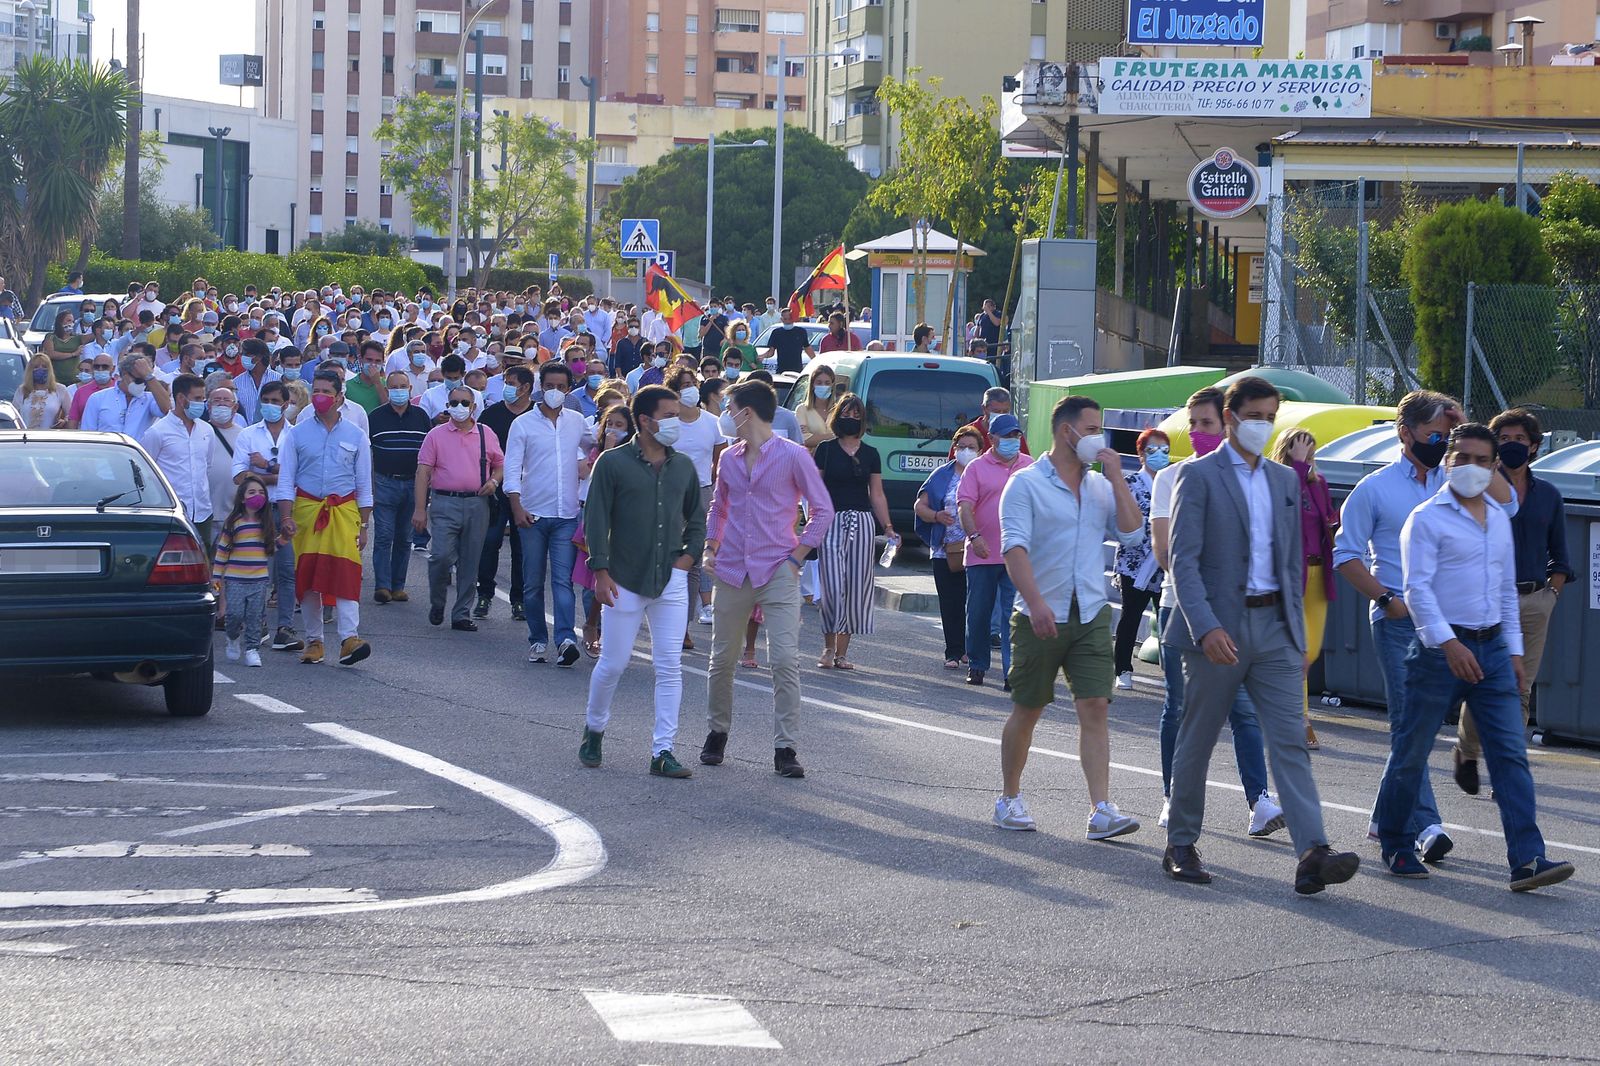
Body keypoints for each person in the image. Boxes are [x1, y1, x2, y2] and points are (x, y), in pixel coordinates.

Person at [1163, 376, 1360, 894]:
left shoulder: (1282, 480)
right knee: (1199, 738)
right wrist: (1205, 627)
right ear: (1230, 418)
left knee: (1290, 740)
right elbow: (1183, 561)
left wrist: (1295, 633)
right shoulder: (1197, 476)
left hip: (1275, 627)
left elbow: (1292, 560)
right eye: (1254, 416)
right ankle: (1181, 843)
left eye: (1270, 417)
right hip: (1218, 629)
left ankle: (1313, 852)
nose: (1263, 425)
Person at [1377, 422, 1574, 892]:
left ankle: (1527, 859)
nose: (1471, 467)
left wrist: (1514, 651)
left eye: (1481, 461)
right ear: (1448, 461)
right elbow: (1417, 590)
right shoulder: (1426, 518)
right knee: (1411, 751)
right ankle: (1396, 841)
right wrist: (1450, 644)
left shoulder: (1499, 519)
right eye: (1461, 458)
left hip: (1493, 649)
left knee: (1510, 755)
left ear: (1493, 467)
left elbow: (1504, 591)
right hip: (1437, 653)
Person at [1332, 390, 1514, 860]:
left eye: (1444, 436)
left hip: (1454, 626)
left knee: (1414, 728)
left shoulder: (1457, 479)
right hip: (1398, 621)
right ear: (1405, 432)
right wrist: (1386, 600)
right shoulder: (1374, 488)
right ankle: (1427, 825)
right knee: (1408, 723)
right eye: (1433, 434)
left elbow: (1509, 502)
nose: (1439, 443)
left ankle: (1384, 819)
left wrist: (1468, 427)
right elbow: (1345, 555)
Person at [993, 396, 1145, 839]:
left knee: (1095, 705)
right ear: (1067, 431)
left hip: (1091, 611)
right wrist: (1036, 602)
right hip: (1039, 613)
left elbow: (1133, 534)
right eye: (1093, 429)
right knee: (1029, 707)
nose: (1100, 438)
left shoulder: (1100, 485)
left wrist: (1117, 479)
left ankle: (1101, 809)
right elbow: (1013, 548)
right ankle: (1009, 797)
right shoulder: (1025, 484)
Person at [1150, 387, 1279, 837]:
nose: (1197, 432)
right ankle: (1173, 797)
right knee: (1180, 707)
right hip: (1182, 610)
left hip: (1237, 615)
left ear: (1227, 423)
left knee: (1244, 711)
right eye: (1193, 424)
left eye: (1206, 423)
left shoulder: (1256, 479)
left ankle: (1260, 801)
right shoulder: (1173, 478)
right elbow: (1166, 553)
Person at [701, 379, 834, 778]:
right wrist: (710, 546)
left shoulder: (793, 455)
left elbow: (822, 509)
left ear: (747, 412)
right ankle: (717, 732)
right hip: (731, 568)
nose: (726, 415)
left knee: (784, 659)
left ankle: (785, 747)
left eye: (730, 408)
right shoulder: (729, 457)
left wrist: (797, 557)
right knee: (722, 658)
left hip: (778, 567)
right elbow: (719, 506)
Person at [578, 385, 705, 779]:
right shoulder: (612, 463)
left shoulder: (683, 466)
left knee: (669, 667)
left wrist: (686, 560)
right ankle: (594, 729)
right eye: (669, 415)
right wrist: (600, 571)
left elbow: (697, 518)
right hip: (623, 578)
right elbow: (596, 519)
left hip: (671, 580)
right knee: (613, 664)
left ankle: (663, 751)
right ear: (646, 421)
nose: (677, 421)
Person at [1454, 409, 1573, 794]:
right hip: (1487, 603)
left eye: (1519, 439)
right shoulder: (1482, 488)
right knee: (1483, 683)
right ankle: (1467, 752)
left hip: (1535, 601)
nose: (1511, 445)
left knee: (1519, 689)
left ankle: (1506, 770)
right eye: (1503, 439)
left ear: (1534, 446)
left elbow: (1561, 554)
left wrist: (1551, 595)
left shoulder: (1548, 495)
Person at [273, 369, 374, 667]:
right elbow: (286, 480)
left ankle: (349, 639)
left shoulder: (356, 435)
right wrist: (286, 518)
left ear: (339, 397)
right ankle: (314, 641)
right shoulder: (297, 433)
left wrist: (364, 525)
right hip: (306, 512)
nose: (320, 396)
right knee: (308, 577)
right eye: (316, 390)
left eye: (326, 392)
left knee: (345, 573)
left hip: (344, 513)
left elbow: (364, 485)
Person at [504, 360, 589, 667]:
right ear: (541, 388)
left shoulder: (577, 421)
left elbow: (597, 446)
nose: (555, 391)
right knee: (532, 582)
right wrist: (516, 506)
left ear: (568, 390)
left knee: (563, 581)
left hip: (566, 515)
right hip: (532, 514)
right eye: (549, 386)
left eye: (561, 387)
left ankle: (565, 640)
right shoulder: (522, 424)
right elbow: (512, 467)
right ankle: (537, 639)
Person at [812, 393, 896, 670]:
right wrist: (812, 521)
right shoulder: (825, 449)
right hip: (831, 521)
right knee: (832, 586)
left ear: (863, 420)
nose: (851, 418)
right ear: (837, 417)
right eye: (846, 414)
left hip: (862, 523)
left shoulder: (871, 454)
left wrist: (888, 527)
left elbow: (877, 494)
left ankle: (841, 654)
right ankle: (827, 647)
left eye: (856, 415)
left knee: (856, 588)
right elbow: (815, 489)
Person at [414, 385, 505, 631]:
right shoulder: (436, 435)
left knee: (470, 560)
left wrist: (494, 481)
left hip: (477, 503)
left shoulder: (485, 433)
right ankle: (438, 602)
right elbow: (423, 472)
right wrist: (420, 509)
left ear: (473, 407)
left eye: (465, 403)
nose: (459, 407)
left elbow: (500, 464)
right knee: (440, 556)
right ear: (447, 405)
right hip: (445, 502)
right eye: (454, 402)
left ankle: (462, 613)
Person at [1271, 427, 1339, 749]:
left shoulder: (1318, 482)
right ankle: (1300, 719)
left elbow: (1326, 519)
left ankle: (1284, 710)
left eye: (1311, 452)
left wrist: (1337, 521)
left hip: (1318, 571)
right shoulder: (1278, 480)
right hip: (1292, 574)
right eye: (1302, 452)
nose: (1308, 458)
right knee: (1297, 650)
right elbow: (1285, 508)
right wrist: (1297, 466)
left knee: (1309, 651)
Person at [232, 380, 303, 652]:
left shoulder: (295, 435)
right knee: (260, 571)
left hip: (286, 509)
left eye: (275, 401)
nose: (270, 406)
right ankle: (258, 623)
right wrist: (279, 474)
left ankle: (285, 628)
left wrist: (265, 468)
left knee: (286, 571)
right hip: (257, 512)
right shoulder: (248, 434)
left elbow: (298, 475)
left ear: (285, 404)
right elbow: (240, 476)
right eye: (266, 401)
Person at [958, 413, 1027, 688]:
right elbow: (964, 506)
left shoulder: (1028, 466)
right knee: (978, 614)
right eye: (1007, 436)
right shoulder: (976, 468)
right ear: (993, 438)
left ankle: (1012, 672)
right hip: (982, 553)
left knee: (1013, 615)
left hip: (1017, 554)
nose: (1012, 440)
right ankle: (977, 664)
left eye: (1016, 435)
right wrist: (974, 536)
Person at [368, 371, 433, 604]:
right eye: (394, 387)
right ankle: (383, 586)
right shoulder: (375, 417)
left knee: (405, 537)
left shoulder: (421, 416)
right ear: (387, 390)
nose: (398, 391)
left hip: (414, 484)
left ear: (410, 389)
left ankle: (398, 586)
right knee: (384, 536)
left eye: (402, 386)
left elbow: (429, 453)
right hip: (384, 482)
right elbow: (368, 452)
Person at [916, 427, 979, 669]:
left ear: (980, 450)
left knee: (975, 603)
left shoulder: (984, 473)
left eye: (971, 447)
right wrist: (936, 516)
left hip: (978, 549)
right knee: (950, 601)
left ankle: (970, 650)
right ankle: (953, 652)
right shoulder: (941, 475)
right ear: (954, 448)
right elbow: (920, 506)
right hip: (946, 551)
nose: (966, 451)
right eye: (961, 447)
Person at [666, 369, 723, 634]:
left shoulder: (713, 422)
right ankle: (667, 618)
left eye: (692, 384)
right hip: (670, 495)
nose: (689, 389)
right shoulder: (668, 423)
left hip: (702, 493)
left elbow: (719, 462)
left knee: (693, 562)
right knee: (670, 558)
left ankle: (683, 627)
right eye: (683, 385)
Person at [476, 365, 533, 621]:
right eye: (506, 382)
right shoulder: (491, 414)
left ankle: (519, 600)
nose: (507, 388)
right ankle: (484, 594)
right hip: (496, 490)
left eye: (511, 383)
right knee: (490, 542)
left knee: (522, 548)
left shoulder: (535, 414)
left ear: (526, 387)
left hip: (527, 491)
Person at [1112, 429, 1167, 691]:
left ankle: (1171, 671)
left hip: (1164, 563)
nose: (1160, 455)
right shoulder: (1130, 484)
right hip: (1135, 562)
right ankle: (1123, 668)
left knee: (1168, 618)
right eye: (1153, 450)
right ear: (1141, 454)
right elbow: (1123, 520)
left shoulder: (1171, 482)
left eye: (1165, 451)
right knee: (1131, 616)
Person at [139, 374, 216, 544]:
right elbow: (145, 471)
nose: (201, 403)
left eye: (203, 399)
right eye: (197, 398)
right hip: (172, 513)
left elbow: (207, 466)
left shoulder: (207, 430)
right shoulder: (158, 431)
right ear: (181, 398)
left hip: (202, 512)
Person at [214, 477, 277, 669]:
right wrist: (216, 576)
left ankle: (252, 650)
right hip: (235, 579)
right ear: (242, 498)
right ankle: (232, 638)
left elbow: (271, 548)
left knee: (255, 616)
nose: (257, 496)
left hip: (258, 580)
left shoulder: (266, 524)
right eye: (252, 492)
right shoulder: (233, 522)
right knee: (234, 614)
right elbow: (222, 550)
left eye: (261, 492)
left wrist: (285, 538)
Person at [203, 386, 243, 543]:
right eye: (216, 400)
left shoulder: (245, 435)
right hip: (205, 513)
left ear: (235, 407)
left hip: (234, 513)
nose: (221, 404)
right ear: (209, 406)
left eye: (226, 400)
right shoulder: (200, 431)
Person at [949, 388, 1030, 459]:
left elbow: (1026, 465)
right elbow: (953, 467)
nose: (1001, 415)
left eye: (1005, 411)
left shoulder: (1014, 434)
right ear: (984, 408)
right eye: (996, 411)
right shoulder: (967, 433)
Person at [14, 354, 70, 429]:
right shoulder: (22, 390)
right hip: (26, 435)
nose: (40, 369)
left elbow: (71, 414)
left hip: (50, 435)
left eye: (44, 366)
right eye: (36, 367)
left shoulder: (60, 389)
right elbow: (14, 415)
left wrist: (64, 421)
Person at [766, 306, 814, 374]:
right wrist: (761, 357)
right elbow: (771, 352)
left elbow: (807, 348)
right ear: (781, 319)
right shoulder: (776, 333)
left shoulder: (801, 332)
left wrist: (815, 360)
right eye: (785, 319)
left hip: (797, 370)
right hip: (782, 370)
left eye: (790, 318)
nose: (788, 321)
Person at [798, 366, 836, 450]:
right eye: (819, 383)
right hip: (810, 457)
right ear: (812, 385)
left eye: (827, 383)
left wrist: (814, 437)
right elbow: (805, 440)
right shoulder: (802, 410)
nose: (823, 386)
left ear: (832, 385)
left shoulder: (838, 409)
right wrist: (835, 436)